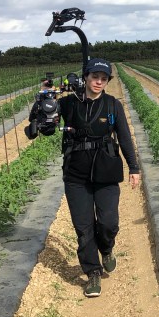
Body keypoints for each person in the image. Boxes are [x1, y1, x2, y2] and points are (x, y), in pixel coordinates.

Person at [55, 57, 141, 297]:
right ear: (86, 77)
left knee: (108, 222)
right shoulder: (69, 104)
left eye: (104, 79)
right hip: (76, 173)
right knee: (83, 228)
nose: (99, 82)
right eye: (95, 77)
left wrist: (134, 168)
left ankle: (107, 248)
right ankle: (92, 273)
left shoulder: (113, 105)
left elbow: (124, 137)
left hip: (106, 171)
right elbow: (46, 122)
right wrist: (44, 105)